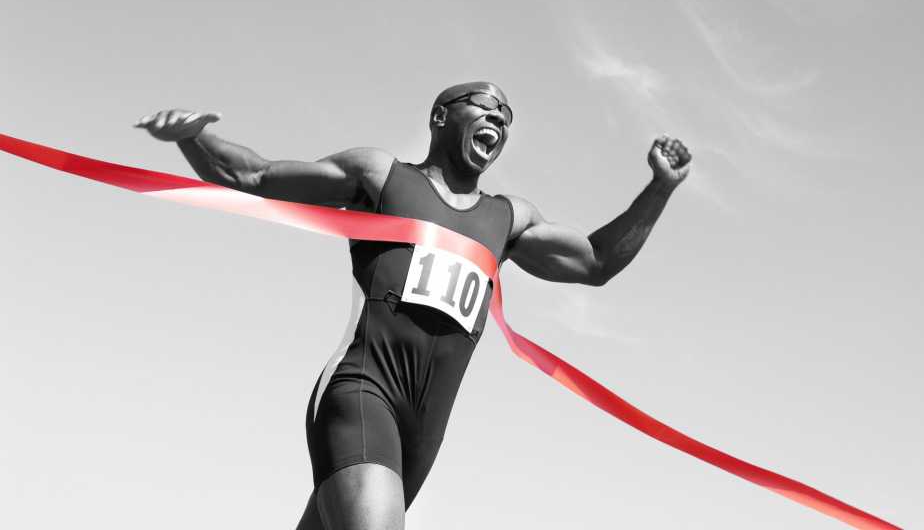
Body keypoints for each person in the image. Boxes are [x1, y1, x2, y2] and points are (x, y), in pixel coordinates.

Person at [135, 82, 691, 530]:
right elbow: (254, 176)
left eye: (507, 112)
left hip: (422, 433)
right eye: (485, 103)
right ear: (441, 117)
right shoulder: (381, 176)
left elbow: (594, 263)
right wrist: (193, 139)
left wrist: (658, 190)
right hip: (362, 391)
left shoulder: (509, 219)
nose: (499, 113)